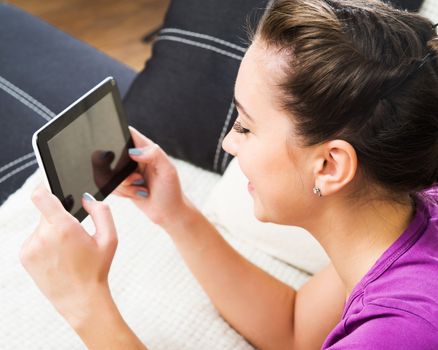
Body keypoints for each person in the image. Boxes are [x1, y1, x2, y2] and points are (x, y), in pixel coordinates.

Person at [20, 0, 438, 349]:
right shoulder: (405, 220)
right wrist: (177, 213)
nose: (228, 144)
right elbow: (295, 331)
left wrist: (84, 302)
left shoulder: (402, 331)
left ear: (329, 166)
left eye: (245, 126)